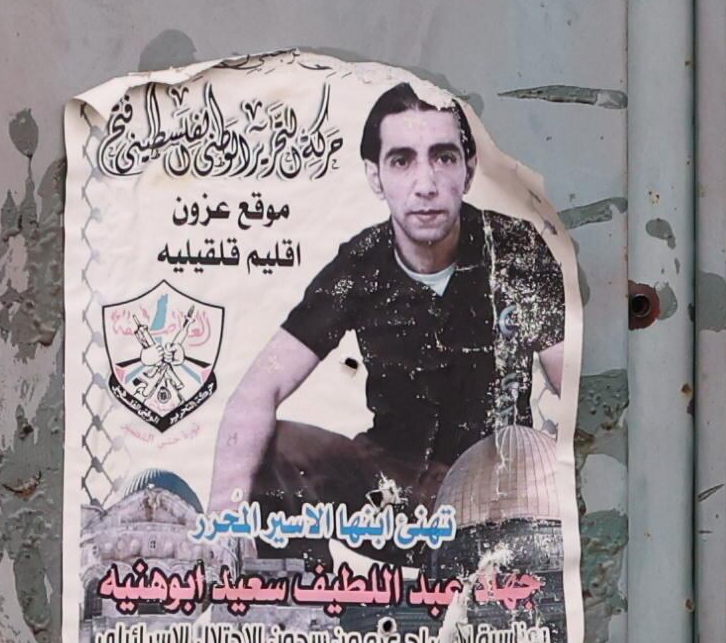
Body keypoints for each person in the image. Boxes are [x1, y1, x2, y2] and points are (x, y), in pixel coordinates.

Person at [203, 82, 571, 524]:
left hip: (493, 492)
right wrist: (224, 521)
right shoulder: (360, 265)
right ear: (375, 176)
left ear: (468, 171)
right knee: (277, 447)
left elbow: (572, 383)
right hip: (393, 498)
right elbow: (257, 392)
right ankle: (312, 591)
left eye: (444, 157)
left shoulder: (514, 249)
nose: (425, 185)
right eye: (402, 161)